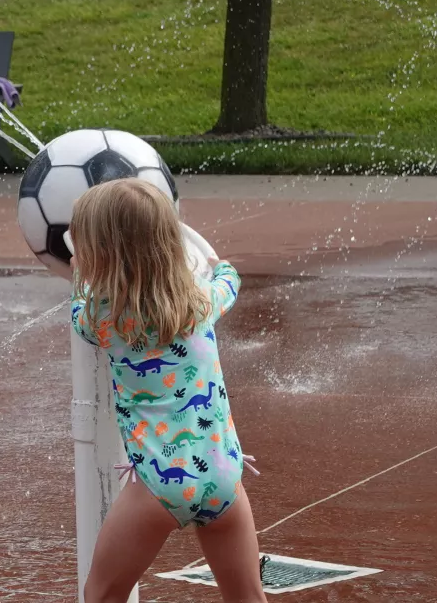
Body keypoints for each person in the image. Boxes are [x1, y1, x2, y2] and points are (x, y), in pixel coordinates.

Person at [68, 178, 262, 603]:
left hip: (159, 485)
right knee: (247, 597)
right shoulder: (201, 302)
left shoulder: (105, 318)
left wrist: (78, 283)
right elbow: (230, 280)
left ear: (102, 254)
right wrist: (218, 261)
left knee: (101, 594)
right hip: (223, 474)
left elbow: (77, 312)